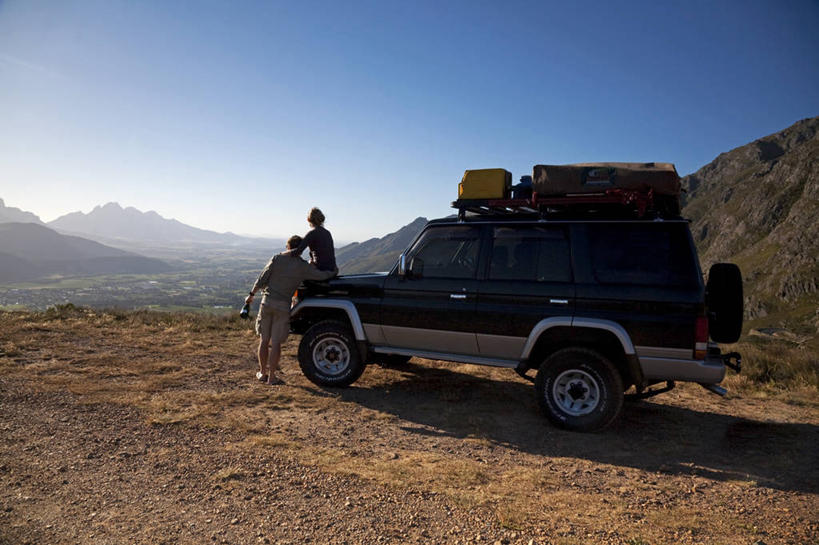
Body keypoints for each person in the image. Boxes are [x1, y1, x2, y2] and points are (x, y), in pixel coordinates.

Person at [246, 235, 337, 385]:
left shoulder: (276, 258)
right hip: (283, 306)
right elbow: (321, 276)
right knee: (276, 343)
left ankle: (262, 373)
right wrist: (333, 271)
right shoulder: (302, 266)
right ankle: (272, 377)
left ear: (287, 246)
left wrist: (251, 295)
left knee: (264, 340)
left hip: (267, 303)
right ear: (301, 249)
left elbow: (262, 279)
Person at [288, 207, 337, 272]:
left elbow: (297, 252)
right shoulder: (327, 233)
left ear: (308, 219)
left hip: (320, 269)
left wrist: (282, 254)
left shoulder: (312, 233)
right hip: (332, 269)